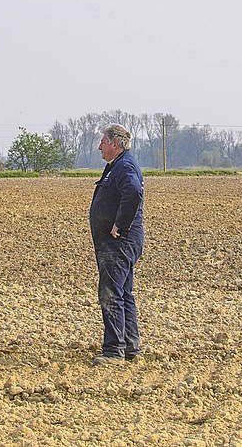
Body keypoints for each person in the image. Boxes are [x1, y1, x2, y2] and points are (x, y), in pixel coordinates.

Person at [88, 124, 144, 365]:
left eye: (103, 142)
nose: (99, 146)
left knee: (110, 294)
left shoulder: (125, 167)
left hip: (118, 243)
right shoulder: (116, 166)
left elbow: (133, 192)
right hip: (117, 243)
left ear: (115, 143)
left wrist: (120, 226)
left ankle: (114, 350)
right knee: (123, 293)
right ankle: (130, 346)